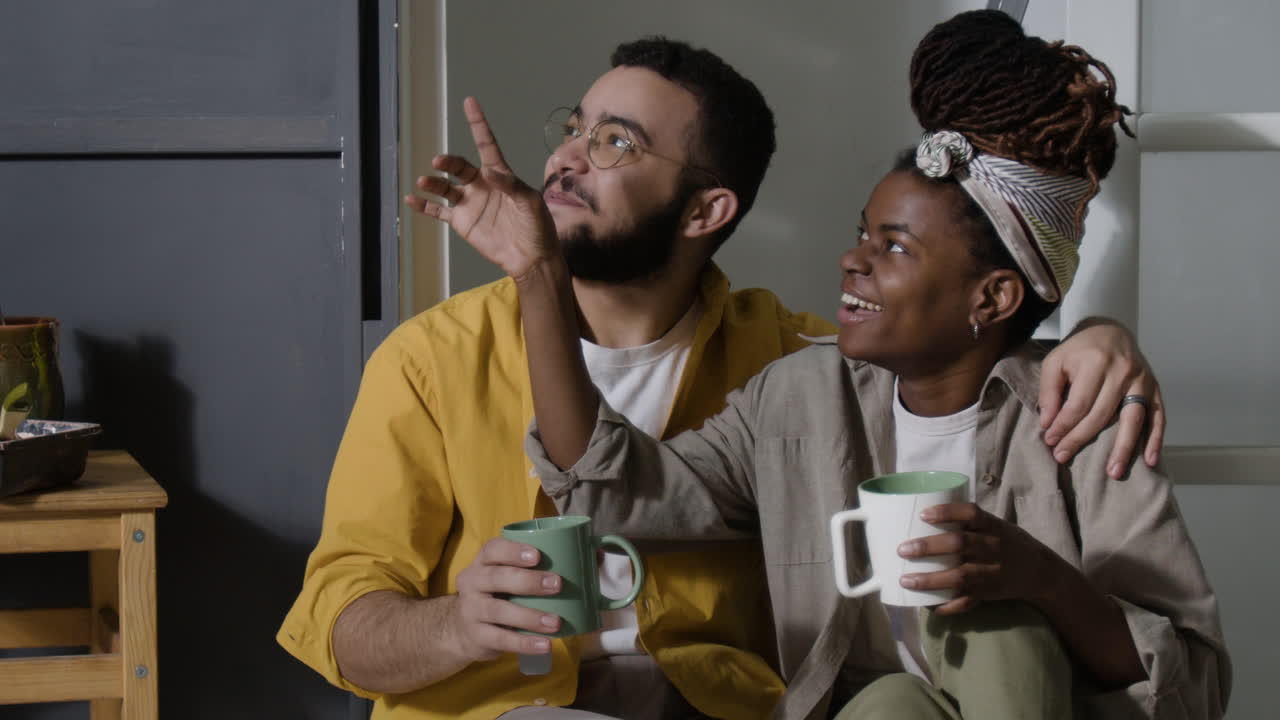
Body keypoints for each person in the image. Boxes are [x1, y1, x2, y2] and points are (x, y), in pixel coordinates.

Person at [282, 36, 1168, 720]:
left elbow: (946, 350)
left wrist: (1093, 336)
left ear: (708, 210)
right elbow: (339, 620)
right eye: (574, 130)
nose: (566, 158)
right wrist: (458, 623)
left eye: (616, 142)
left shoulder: (798, 365)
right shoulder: (429, 361)